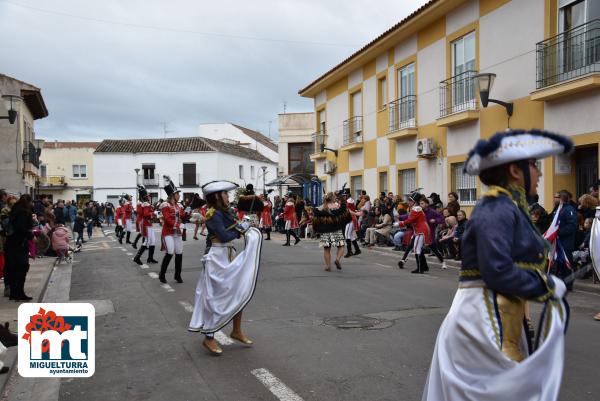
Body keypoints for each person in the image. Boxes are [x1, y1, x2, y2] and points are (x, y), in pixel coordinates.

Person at [421, 129, 572, 401]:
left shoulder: (507, 206)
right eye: (534, 166)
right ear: (515, 170)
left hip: (497, 313)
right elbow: (497, 270)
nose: (538, 174)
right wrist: (546, 285)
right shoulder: (496, 207)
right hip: (482, 320)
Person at [188, 180, 262, 356]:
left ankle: (236, 330)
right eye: (225, 194)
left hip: (228, 255)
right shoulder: (213, 214)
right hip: (216, 258)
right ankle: (209, 337)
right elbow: (223, 235)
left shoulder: (224, 212)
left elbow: (234, 227)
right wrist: (240, 230)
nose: (228, 197)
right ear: (217, 196)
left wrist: (244, 224)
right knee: (214, 298)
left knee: (238, 291)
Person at [5, 195, 35, 301]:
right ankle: (19, 293)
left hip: (11, 243)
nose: (32, 204)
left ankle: (14, 293)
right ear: (28, 202)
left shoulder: (15, 210)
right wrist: (31, 235)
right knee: (21, 268)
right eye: (31, 202)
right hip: (19, 244)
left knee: (13, 268)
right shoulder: (23, 212)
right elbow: (21, 228)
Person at [312, 192, 350, 271]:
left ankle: (327, 266)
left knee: (326, 249)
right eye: (334, 197)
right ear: (332, 198)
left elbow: (315, 213)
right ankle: (337, 259)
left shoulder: (321, 207)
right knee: (341, 246)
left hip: (325, 231)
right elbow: (343, 211)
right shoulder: (336, 206)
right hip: (336, 229)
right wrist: (342, 201)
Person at [158, 177, 185, 284]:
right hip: (168, 232)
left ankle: (177, 275)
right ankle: (162, 274)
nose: (179, 195)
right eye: (178, 193)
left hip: (177, 233)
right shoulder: (165, 205)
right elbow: (168, 219)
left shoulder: (179, 206)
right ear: (173, 195)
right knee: (170, 252)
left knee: (179, 253)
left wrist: (189, 213)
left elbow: (182, 215)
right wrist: (179, 225)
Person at [397, 192, 430, 274]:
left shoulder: (416, 208)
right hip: (418, 230)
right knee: (415, 248)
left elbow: (410, 220)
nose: (409, 202)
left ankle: (420, 268)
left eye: (410, 200)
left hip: (420, 231)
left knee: (416, 249)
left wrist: (399, 223)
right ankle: (423, 267)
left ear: (415, 201)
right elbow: (410, 218)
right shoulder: (416, 208)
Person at [133, 185, 159, 265]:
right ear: (145, 197)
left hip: (149, 224)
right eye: (148, 196)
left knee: (153, 242)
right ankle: (137, 257)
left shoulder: (146, 204)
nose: (149, 197)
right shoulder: (145, 204)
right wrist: (154, 213)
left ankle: (150, 258)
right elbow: (145, 214)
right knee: (147, 241)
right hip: (146, 225)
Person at [343, 189, 361, 257]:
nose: (344, 197)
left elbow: (347, 210)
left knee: (347, 235)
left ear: (347, 195)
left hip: (350, 219)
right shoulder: (349, 200)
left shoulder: (349, 201)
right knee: (351, 236)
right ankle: (357, 249)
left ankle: (349, 251)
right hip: (351, 219)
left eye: (345, 195)